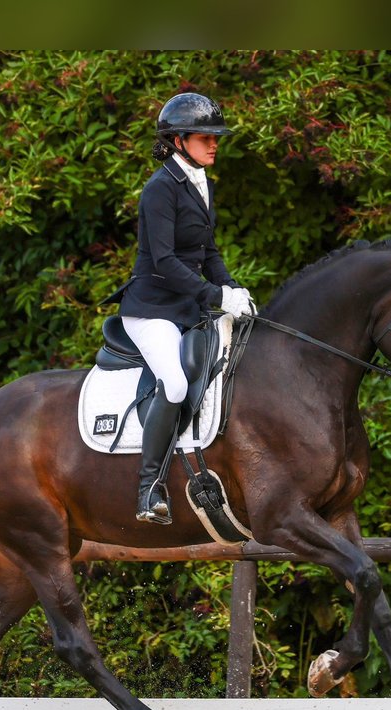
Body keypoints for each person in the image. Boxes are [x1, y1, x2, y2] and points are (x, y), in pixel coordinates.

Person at [120, 92, 254, 525]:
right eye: (204, 137)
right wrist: (216, 297)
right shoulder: (159, 190)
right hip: (152, 309)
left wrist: (234, 288)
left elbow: (208, 253)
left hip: (187, 307)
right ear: (178, 141)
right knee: (175, 384)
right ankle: (148, 488)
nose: (214, 144)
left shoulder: (202, 184)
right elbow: (164, 262)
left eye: (216, 137)